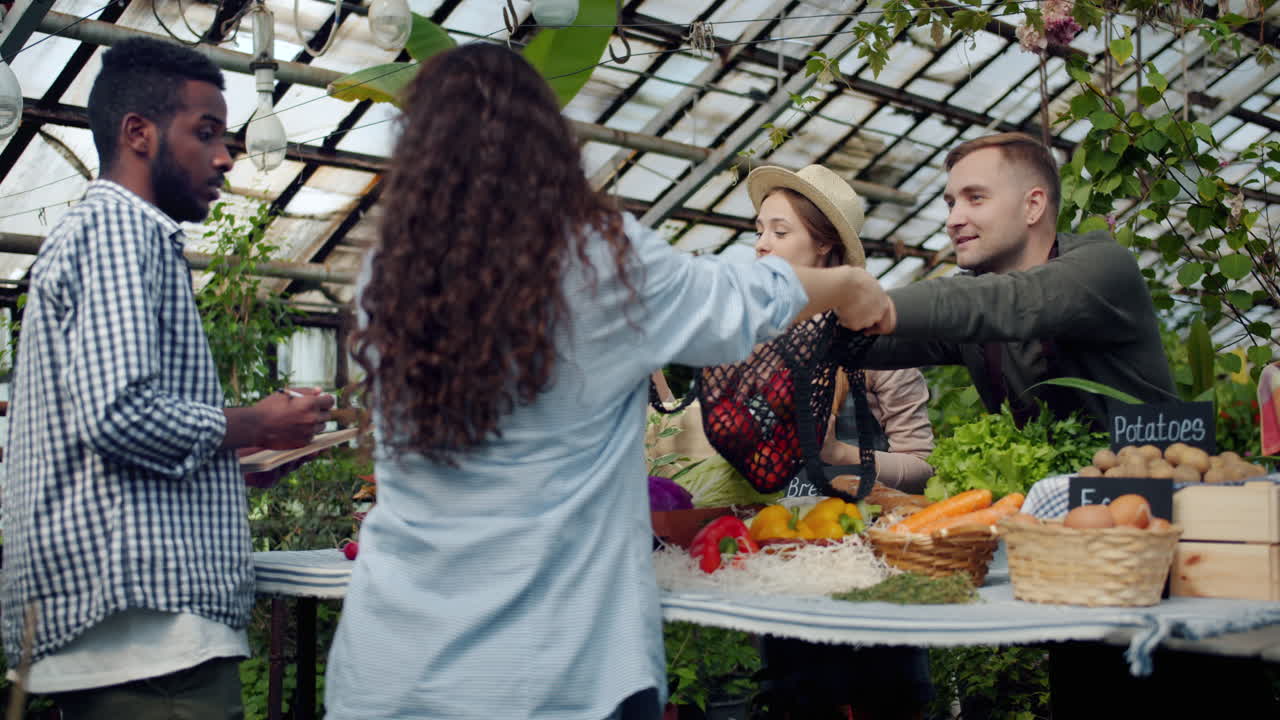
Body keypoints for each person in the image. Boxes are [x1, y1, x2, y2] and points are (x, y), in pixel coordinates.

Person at [321, 43, 890, 720]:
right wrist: (848, 284)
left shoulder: (387, 274)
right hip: (550, 672)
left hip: (389, 669)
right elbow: (737, 295)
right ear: (547, 144)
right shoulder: (591, 258)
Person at [1, 38, 334, 719]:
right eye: (206, 132)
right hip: (152, 642)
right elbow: (120, 412)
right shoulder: (121, 230)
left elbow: (101, 437)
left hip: (136, 636)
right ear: (138, 133)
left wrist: (233, 456)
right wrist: (256, 421)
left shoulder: (108, 234)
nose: (225, 155)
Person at [745, 164, 935, 720]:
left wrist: (840, 454)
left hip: (871, 567)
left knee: (889, 701)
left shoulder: (875, 337)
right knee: (798, 701)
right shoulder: (757, 344)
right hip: (788, 570)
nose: (761, 246)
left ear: (825, 246)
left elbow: (922, 465)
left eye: (780, 232)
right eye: (759, 229)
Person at [861, 132, 1175, 428]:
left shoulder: (1103, 268)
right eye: (951, 203)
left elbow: (1005, 302)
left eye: (976, 198)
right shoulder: (976, 305)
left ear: (1032, 206)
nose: (953, 220)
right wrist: (822, 321)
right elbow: (876, 340)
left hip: (1152, 477)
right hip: (1047, 485)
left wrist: (863, 299)